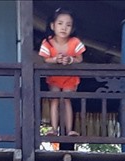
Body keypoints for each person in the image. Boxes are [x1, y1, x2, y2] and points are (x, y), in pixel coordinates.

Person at [39, 8, 85, 137]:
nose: (64, 27)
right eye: (60, 24)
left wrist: (71, 59)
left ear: (72, 28)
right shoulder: (47, 42)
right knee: (55, 100)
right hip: (54, 77)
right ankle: (54, 129)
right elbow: (45, 59)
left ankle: (69, 130)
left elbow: (80, 59)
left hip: (69, 78)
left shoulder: (75, 42)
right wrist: (55, 60)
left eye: (68, 25)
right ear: (53, 26)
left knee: (66, 100)